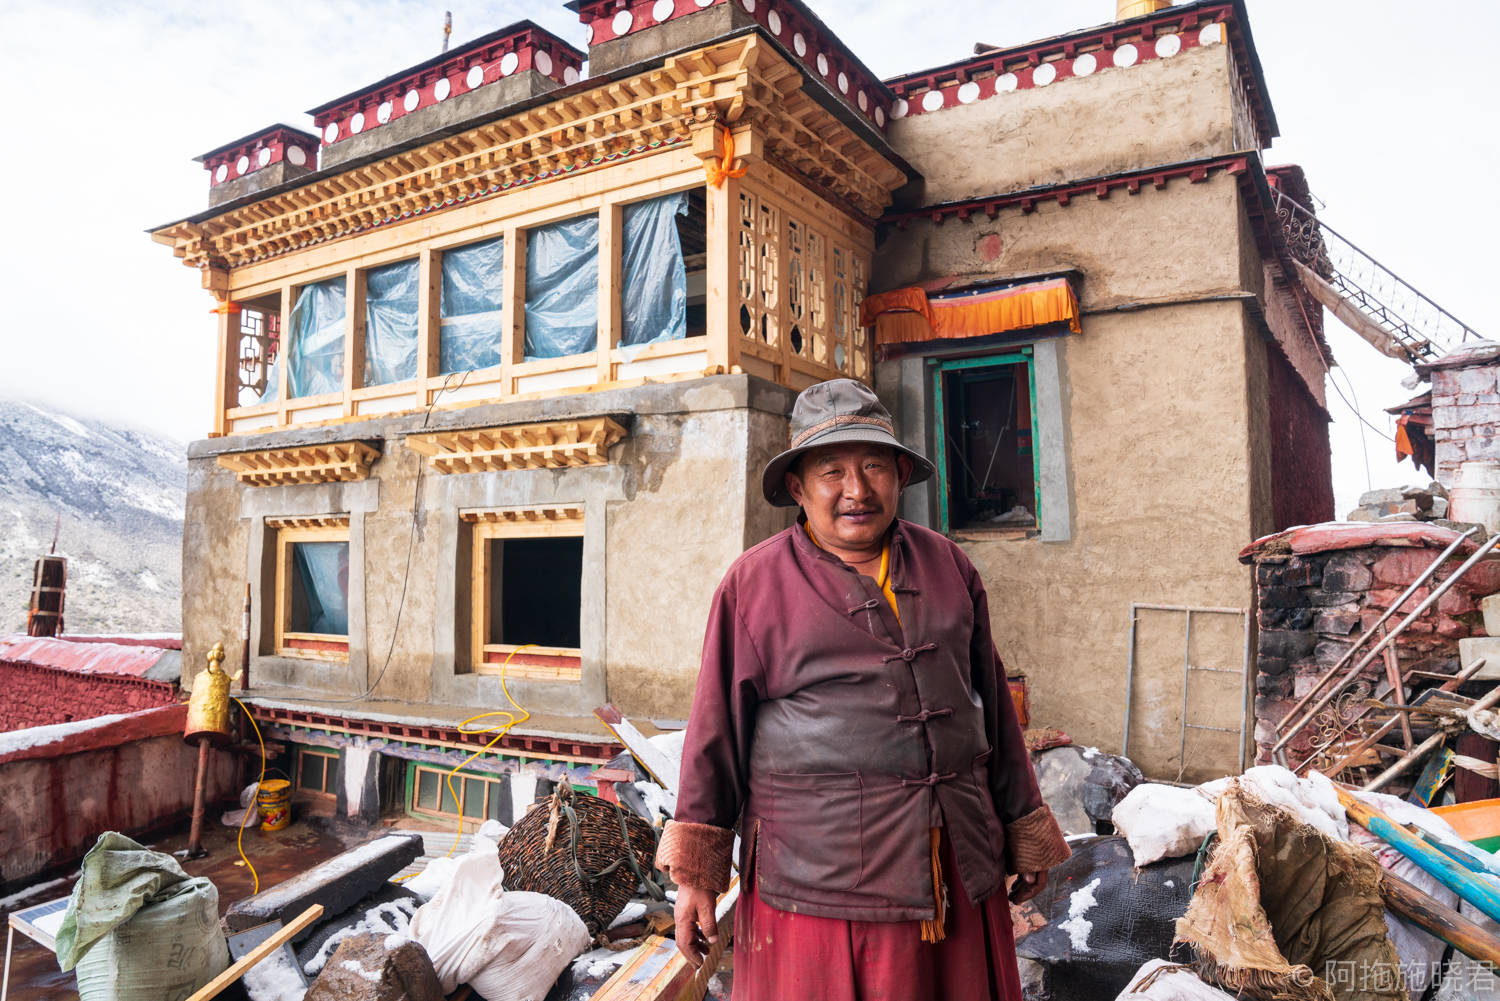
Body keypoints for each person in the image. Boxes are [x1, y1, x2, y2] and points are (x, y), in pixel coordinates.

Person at [655, 378, 1071, 1000]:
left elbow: (987, 705)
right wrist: (696, 877)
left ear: (901, 475)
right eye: (832, 471)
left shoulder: (949, 565)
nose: (856, 489)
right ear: (797, 486)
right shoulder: (755, 584)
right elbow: (716, 733)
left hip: (955, 861)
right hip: (820, 882)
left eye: (874, 465)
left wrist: (1022, 825)